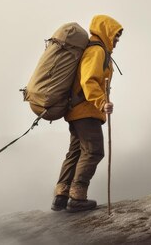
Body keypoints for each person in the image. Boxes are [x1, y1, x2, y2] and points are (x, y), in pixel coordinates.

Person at [51, 15, 123, 212]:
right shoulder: (97, 51)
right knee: (94, 151)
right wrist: (102, 102)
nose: (117, 40)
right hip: (86, 111)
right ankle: (77, 197)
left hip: (77, 110)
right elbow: (88, 81)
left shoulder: (95, 49)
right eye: (115, 35)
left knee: (75, 152)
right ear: (106, 31)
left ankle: (61, 196)